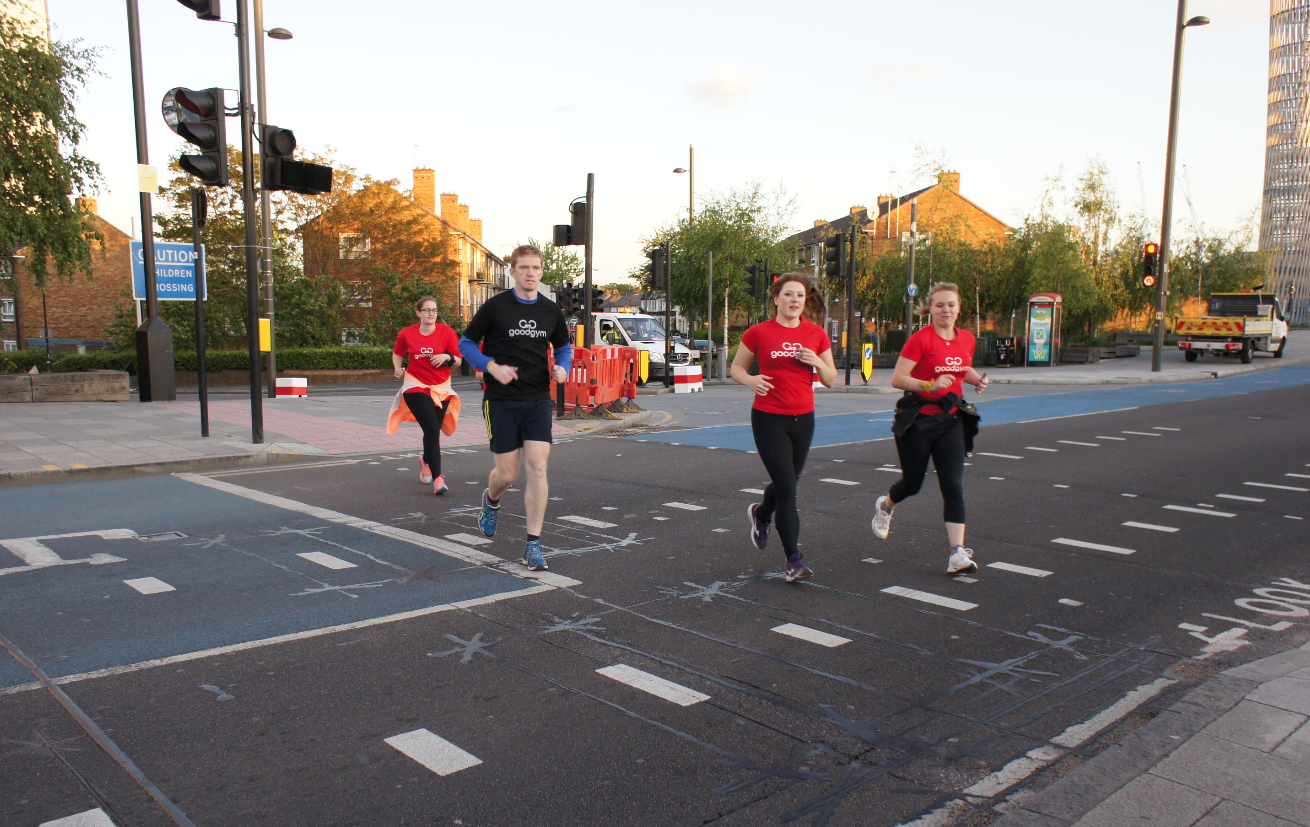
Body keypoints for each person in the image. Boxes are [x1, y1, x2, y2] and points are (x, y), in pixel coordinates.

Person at [458, 245, 571, 571]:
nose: (531, 273)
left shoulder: (551, 311)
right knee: (507, 474)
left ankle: (532, 544)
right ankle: (491, 500)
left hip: (537, 399)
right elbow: (465, 344)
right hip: (501, 401)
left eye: (536, 267)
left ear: (541, 271)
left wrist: (562, 367)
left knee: (537, 468)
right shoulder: (495, 307)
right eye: (524, 268)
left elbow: (563, 346)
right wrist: (491, 366)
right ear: (513, 271)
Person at [871, 281, 989, 574]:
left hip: (951, 419)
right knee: (912, 483)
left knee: (953, 485)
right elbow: (898, 379)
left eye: (951, 304)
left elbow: (962, 366)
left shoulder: (966, 339)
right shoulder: (920, 340)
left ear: (958, 308)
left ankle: (957, 553)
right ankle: (885, 506)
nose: (946, 310)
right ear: (930, 309)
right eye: (940, 305)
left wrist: (977, 380)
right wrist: (930, 384)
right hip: (918, 419)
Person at [734, 273, 837, 582]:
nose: (794, 300)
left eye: (800, 296)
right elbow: (737, 367)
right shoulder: (759, 332)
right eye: (788, 294)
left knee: (787, 482)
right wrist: (751, 379)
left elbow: (831, 379)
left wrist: (817, 363)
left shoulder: (816, 334)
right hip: (768, 417)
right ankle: (794, 560)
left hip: (803, 418)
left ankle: (761, 514)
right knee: (789, 488)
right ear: (776, 299)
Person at [388, 297, 462, 495]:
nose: (431, 313)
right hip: (415, 385)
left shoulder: (447, 332)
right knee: (430, 428)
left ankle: (426, 461)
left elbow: (458, 361)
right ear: (418, 312)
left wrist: (446, 357)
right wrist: (397, 367)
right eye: (427, 310)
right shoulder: (406, 333)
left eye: (434, 310)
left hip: (441, 387)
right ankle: (438, 479)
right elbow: (398, 352)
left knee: (434, 429)